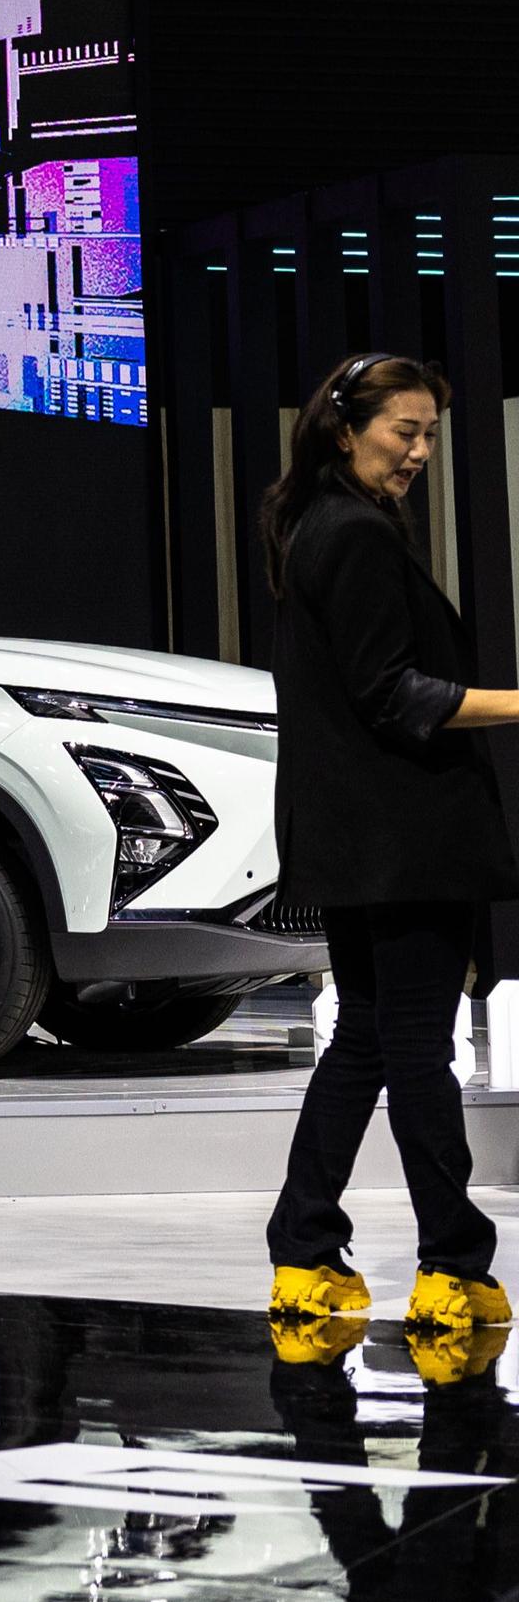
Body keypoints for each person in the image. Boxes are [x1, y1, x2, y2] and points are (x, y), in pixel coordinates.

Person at [267, 351, 519, 1333]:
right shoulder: (356, 534)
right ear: (345, 430)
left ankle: (304, 1251)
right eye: (402, 432)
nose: (418, 452)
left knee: (370, 1038)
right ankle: (452, 1268)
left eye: (428, 435)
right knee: (414, 1047)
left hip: (357, 840)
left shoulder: (315, 525)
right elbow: (392, 695)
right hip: (404, 839)